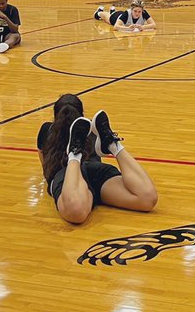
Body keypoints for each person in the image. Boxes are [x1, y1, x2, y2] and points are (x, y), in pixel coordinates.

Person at [36, 94, 158, 225]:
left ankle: (74, 155)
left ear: (55, 116)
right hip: (96, 173)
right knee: (147, 199)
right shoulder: (90, 128)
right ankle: (114, 146)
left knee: (76, 212)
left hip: (66, 176)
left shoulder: (47, 129)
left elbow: (46, 169)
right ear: (81, 114)